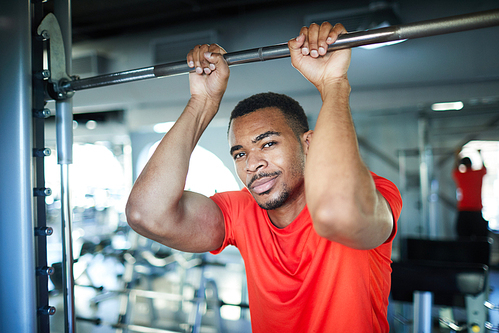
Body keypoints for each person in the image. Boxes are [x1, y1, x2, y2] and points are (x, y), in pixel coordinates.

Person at [126, 22, 402, 332]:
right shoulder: (241, 211)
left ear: (308, 144)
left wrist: (334, 83)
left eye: (268, 143)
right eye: (240, 153)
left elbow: (339, 213)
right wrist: (202, 104)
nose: (252, 164)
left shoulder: (373, 192)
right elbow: (146, 213)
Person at [452, 150, 488, 239]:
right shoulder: (478, 174)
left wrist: (457, 156)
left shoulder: (460, 175)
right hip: (476, 210)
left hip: (464, 211)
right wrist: (480, 153)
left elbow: (455, 169)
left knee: (463, 238)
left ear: (462, 166)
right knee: (481, 239)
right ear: (471, 164)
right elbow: (484, 167)